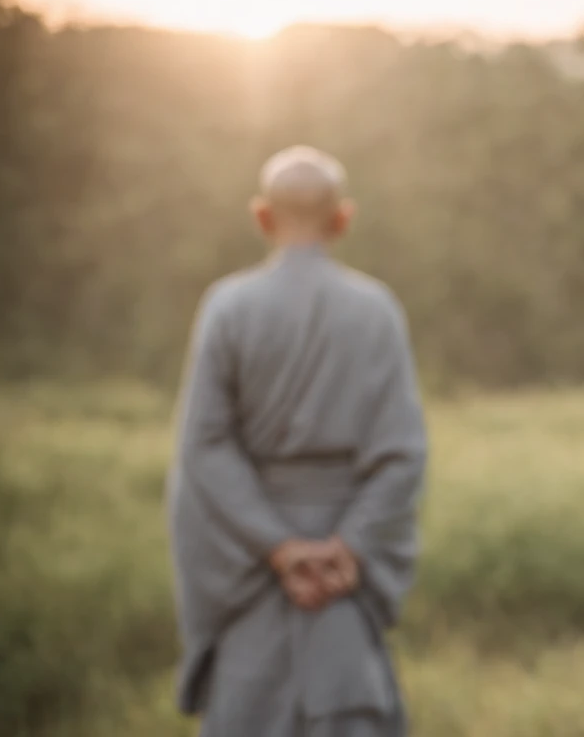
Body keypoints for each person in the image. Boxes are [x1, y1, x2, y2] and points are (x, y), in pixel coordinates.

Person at [166, 145, 428, 736]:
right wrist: (348, 548)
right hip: (342, 582)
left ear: (262, 217)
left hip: (252, 566)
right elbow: (402, 453)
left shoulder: (228, 308)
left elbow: (205, 446)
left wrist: (281, 549)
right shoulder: (376, 311)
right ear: (343, 218)